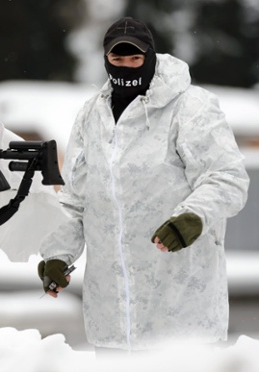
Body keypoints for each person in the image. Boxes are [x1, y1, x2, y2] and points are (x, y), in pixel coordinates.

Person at [37, 17, 249, 352]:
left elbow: (227, 177)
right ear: (106, 60)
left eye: (135, 58)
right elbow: (77, 198)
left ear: (150, 56)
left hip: (182, 310)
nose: (126, 65)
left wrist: (193, 216)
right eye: (117, 59)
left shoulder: (190, 106)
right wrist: (57, 254)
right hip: (111, 317)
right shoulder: (92, 115)